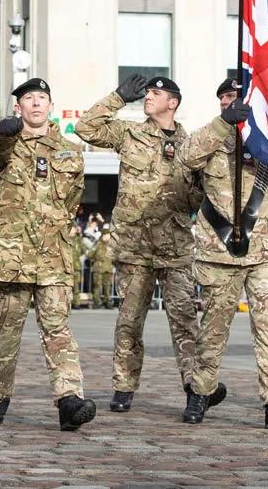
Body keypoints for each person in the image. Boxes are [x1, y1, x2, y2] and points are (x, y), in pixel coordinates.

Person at [75, 73, 200, 415]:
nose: (148, 96)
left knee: (185, 319)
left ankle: (195, 387)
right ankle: (123, 386)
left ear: (172, 102)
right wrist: (117, 97)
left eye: (156, 93)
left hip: (175, 245)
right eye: (147, 92)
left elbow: (199, 196)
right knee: (130, 320)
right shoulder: (130, 132)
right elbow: (86, 128)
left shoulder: (193, 145)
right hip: (134, 245)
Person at [179, 78, 268, 429]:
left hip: (265, 249)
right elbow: (186, 157)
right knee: (213, 329)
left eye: (238, 97)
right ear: (220, 104)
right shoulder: (211, 136)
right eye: (226, 97)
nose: (233, 102)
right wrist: (224, 124)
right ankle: (200, 394)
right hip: (220, 251)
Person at [0, 78, 96, 431]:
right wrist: (3, 129)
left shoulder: (70, 150)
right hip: (11, 257)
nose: (35, 104)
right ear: (19, 107)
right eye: (28, 99)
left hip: (53, 257)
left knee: (58, 329)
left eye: (41, 98)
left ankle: (68, 399)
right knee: (7, 331)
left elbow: (73, 199)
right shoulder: (7, 145)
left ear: (50, 105)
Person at [87, 229, 115, 309]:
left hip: (108, 268)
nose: (108, 237)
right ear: (103, 235)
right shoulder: (97, 244)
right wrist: (95, 259)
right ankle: (97, 302)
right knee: (97, 285)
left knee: (107, 286)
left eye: (109, 235)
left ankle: (107, 301)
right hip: (98, 268)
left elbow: (114, 256)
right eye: (106, 235)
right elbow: (90, 255)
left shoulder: (111, 245)